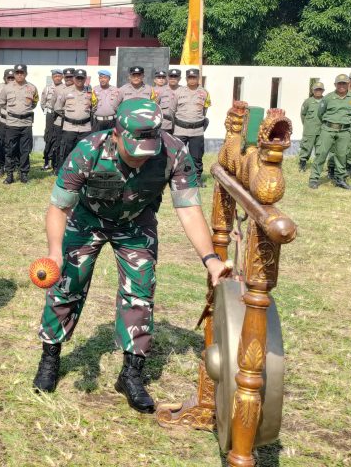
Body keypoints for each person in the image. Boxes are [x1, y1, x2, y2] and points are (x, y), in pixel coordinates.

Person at [32, 98, 227, 413]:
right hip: (87, 221)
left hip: (136, 223)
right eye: (133, 151)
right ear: (116, 135)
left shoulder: (174, 152)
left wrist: (211, 259)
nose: (139, 160)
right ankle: (50, 357)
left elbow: (189, 210)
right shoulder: (88, 151)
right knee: (68, 285)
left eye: (146, 152)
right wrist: (55, 253)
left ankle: (131, 373)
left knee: (140, 292)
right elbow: (59, 207)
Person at [308, 74, 351, 190]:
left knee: (342, 156)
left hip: (344, 131)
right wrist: (329, 124)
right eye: (339, 83)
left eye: (344, 83)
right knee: (322, 153)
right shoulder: (328, 98)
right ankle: (314, 179)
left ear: (348, 84)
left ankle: (340, 179)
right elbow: (320, 113)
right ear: (335, 85)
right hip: (328, 129)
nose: (342, 86)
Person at [0, 63, 38, 184]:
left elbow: (34, 103)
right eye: (17, 73)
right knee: (9, 150)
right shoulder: (7, 88)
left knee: (25, 150)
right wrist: (12, 112)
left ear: (26, 74)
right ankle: (9, 175)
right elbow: (1, 103)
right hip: (12, 123)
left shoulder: (32, 88)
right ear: (14, 74)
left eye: (22, 72)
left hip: (26, 123)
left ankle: (24, 174)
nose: (20, 75)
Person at [173, 68, 210, 186]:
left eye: (194, 77)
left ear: (198, 78)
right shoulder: (178, 92)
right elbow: (173, 110)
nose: (192, 79)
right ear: (186, 78)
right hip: (180, 129)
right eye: (190, 77)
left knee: (197, 157)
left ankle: (197, 178)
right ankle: (176, 178)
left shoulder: (205, 93)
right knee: (178, 156)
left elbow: (205, 110)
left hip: (197, 131)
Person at [54, 68, 92, 168]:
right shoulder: (66, 91)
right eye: (77, 78)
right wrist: (70, 117)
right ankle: (65, 173)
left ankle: (80, 175)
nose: (79, 80)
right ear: (74, 78)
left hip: (85, 128)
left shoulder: (90, 91)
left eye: (82, 78)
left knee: (84, 152)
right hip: (69, 127)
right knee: (66, 151)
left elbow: (94, 107)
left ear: (85, 79)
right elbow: (58, 107)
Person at [41, 68, 68, 171]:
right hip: (49, 115)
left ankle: (55, 162)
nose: (57, 78)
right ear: (52, 77)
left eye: (59, 76)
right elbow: (42, 102)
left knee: (57, 138)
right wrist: (48, 111)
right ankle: (46, 161)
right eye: (55, 76)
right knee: (48, 137)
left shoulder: (65, 88)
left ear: (62, 77)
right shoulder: (47, 88)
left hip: (59, 116)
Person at [298, 81, 326, 172]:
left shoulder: (326, 101)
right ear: (313, 90)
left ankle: (317, 167)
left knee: (320, 149)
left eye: (320, 89)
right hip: (309, 129)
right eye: (316, 89)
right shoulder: (308, 102)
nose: (318, 91)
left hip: (322, 129)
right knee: (306, 147)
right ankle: (302, 164)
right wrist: (307, 125)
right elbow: (303, 115)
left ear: (323, 90)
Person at [153, 70, 177, 134]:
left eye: (163, 78)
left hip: (168, 124)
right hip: (154, 122)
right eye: (159, 78)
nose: (161, 80)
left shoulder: (171, 90)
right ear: (154, 80)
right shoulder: (150, 90)